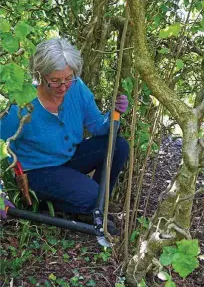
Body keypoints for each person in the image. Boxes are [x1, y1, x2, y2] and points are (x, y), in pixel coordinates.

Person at [0, 38, 129, 219]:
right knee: (93, 196)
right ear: (41, 75)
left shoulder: (77, 88)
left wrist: (114, 114)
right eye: (55, 80)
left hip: (69, 158)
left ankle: (92, 204)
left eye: (68, 78)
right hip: (38, 172)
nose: (63, 87)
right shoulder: (21, 107)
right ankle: (86, 203)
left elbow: (98, 128)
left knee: (118, 146)